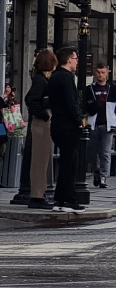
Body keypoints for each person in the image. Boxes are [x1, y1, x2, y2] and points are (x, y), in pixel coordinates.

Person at [47, 47, 84, 213]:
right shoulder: (66, 77)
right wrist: (79, 121)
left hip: (57, 123)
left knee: (68, 161)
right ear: (69, 60)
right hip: (67, 125)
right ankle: (67, 199)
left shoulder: (55, 76)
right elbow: (71, 102)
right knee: (69, 164)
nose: (77, 61)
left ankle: (61, 199)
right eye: (75, 58)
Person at [82, 61, 116, 189]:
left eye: (103, 73)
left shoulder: (113, 89)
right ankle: (96, 170)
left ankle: (103, 176)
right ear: (95, 73)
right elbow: (84, 106)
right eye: (98, 72)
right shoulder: (89, 89)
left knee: (105, 152)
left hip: (108, 124)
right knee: (92, 151)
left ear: (107, 74)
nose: (100, 75)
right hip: (93, 124)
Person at [23, 50, 57, 209]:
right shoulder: (41, 80)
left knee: (42, 160)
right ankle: (37, 195)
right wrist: (44, 115)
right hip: (41, 123)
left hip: (42, 122)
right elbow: (30, 100)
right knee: (39, 161)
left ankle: (39, 193)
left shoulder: (42, 78)